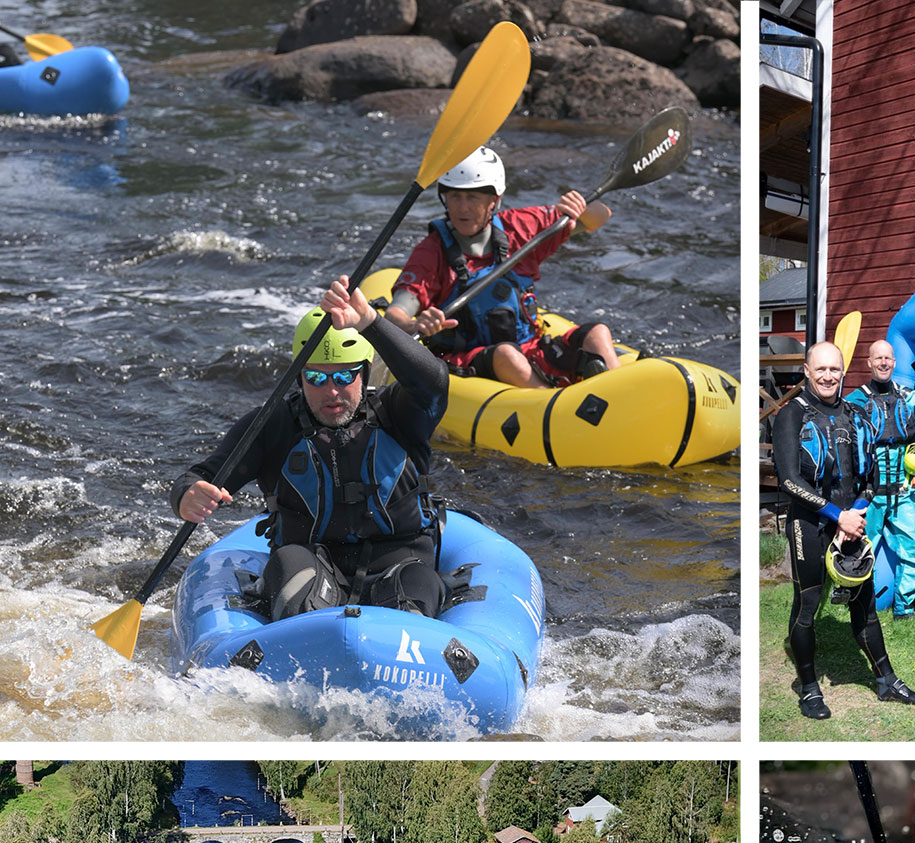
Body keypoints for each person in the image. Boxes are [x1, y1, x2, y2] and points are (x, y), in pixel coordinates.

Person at [170, 275, 451, 620]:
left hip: (401, 564)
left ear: (365, 373)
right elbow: (201, 476)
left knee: (419, 582)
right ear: (299, 377)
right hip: (309, 564)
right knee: (288, 568)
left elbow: (435, 381)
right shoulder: (272, 425)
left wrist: (370, 322)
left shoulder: (402, 414)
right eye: (316, 377)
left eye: (344, 376)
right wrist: (186, 496)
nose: (331, 391)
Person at [771, 340, 915, 720]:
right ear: (807, 372)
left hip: (851, 524)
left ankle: (886, 680)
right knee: (807, 606)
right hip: (809, 524)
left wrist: (854, 515)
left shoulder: (855, 415)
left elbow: (871, 478)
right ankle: (809, 688)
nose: (828, 376)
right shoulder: (792, 414)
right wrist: (835, 516)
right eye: (820, 369)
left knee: (864, 604)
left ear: (842, 372)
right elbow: (788, 479)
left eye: (834, 369)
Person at [384, 145, 617, 389]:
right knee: (507, 355)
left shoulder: (520, 227)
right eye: (455, 196)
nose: (462, 208)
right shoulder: (431, 252)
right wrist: (416, 325)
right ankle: (553, 403)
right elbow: (394, 316)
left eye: (473, 197)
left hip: (529, 349)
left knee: (598, 333)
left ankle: (618, 395)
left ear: (494, 200)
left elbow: (602, 215)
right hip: (467, 359)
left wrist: (580, 208)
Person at [844, 340, 915, 619]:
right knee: (860, 550)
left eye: (888, 358)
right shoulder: (854, 401)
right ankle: (859, 605)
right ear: (869, 363)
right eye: (878, 358)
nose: (883, 363)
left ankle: (904, 608)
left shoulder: (910, 398)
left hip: (903, 489)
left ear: (894, 363)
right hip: (868, 492)